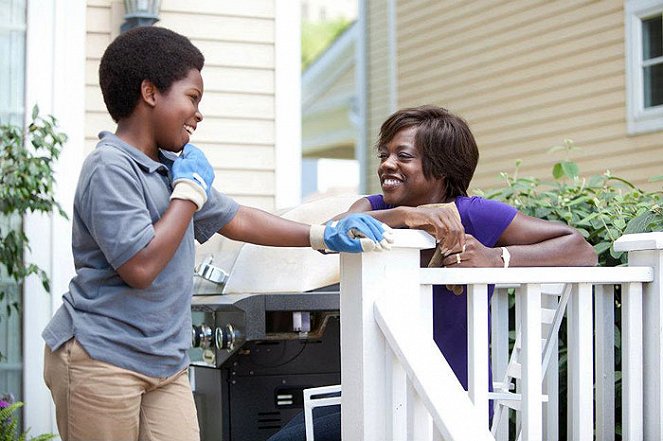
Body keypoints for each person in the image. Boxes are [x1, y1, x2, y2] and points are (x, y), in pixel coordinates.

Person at [41, 26, 392, 441]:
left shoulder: (171, 167)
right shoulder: (110, 168)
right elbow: (140, 266)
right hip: (101, 357)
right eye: (192, 97)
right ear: (150, 92)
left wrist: (322, 233)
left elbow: (238, 218)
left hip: (164, 363)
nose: (198, 113)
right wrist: (188, 193)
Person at [267, 105, 597, 441]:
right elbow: (330, 235)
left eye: (403, 156)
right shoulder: (375, 207)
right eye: (384, 154)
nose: (386, 164)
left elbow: (581, 249)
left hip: (450, 403)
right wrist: (406, 215)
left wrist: (496, 258)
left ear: (439, 169)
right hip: (382, 397)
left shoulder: (473, 214)